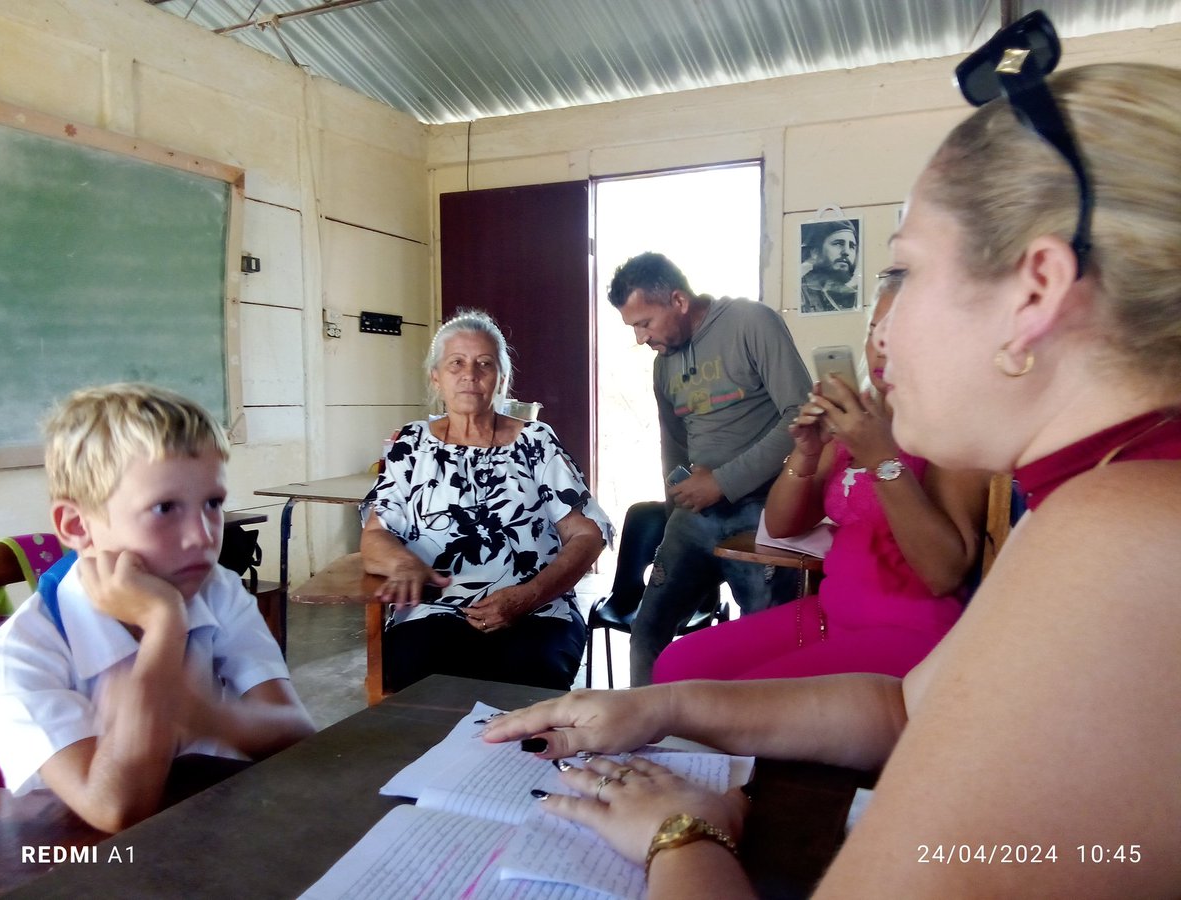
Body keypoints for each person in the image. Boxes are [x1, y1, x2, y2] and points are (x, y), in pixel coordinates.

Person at [485, 53, 1181, 897]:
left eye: (904, 270)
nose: (879, 334)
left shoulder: (1125, 529)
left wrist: (681, 835)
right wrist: (661, 708)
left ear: (1035, 292)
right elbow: (901, 710)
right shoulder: (1114, 491)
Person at [0, 383, 314, 833]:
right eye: (164, 508)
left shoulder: (217, 588)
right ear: (77, 525)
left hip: (215, 831)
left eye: (212, 503)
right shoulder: (16, 656)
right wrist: (164, 626)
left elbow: (299, 734)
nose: (202, 536)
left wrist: (205, 717)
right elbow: (117, 809)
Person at [653, 276, 990, 683]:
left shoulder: (959, 432)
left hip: (908, 629)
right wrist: (807, 452)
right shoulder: (861, 418)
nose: (881, 344)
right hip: (832, 614)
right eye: (874, 330)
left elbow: (943, 573)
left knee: (744, 699)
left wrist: (880, 457)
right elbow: (781, 525)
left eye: (900, 330)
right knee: (677, 665)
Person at [360, 309, 612, 692]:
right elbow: (375, 535)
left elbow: (587, 536)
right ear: (436, 377)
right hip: (434, 612)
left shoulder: (536, 443)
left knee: (530, 675)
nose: (470, 375)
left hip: (537, 611)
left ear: (502, 379)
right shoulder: (410, 446)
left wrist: (528, 596)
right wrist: (403, 563)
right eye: (456, 363)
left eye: (484, 364)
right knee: (418, 674)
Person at [608, 252, 812, 685]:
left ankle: (754, 749)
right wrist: (673, 514)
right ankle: (640, 740)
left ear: (678, 300)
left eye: (645, 323)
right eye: (634, 329)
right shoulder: (664, 365)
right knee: (646, 636)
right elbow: (674, 443)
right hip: (694, 518)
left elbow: (802, 415)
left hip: (762, 512)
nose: (642, 339)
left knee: (765, 651)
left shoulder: (750, 322)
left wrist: (723, 482)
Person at [800, 220, 860, 313]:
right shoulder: (800, 293)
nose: (846, 252)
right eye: (838, 243)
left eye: (852, 246)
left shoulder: (855, 296)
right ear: (815, 252)